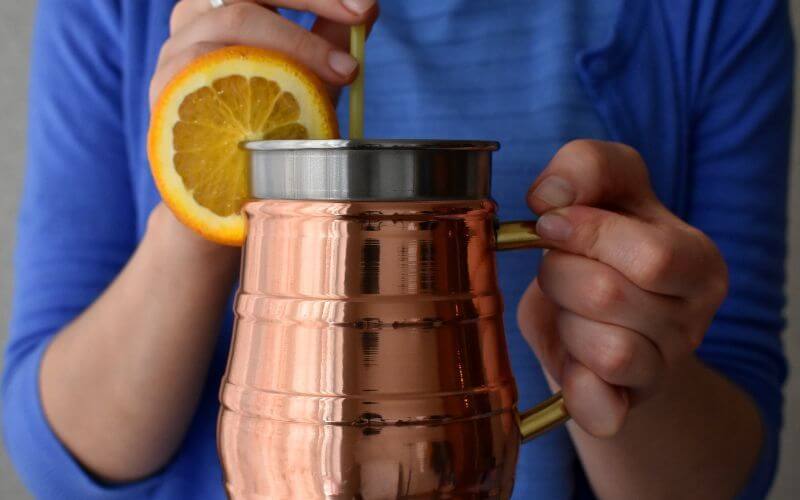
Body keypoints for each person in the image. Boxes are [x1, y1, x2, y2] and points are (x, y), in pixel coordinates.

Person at [2, 0, 793, 498]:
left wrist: (621, 362)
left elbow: (732, 470)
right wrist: (204, 206)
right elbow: (56, 454)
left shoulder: (710, 15)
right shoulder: (112, 10)